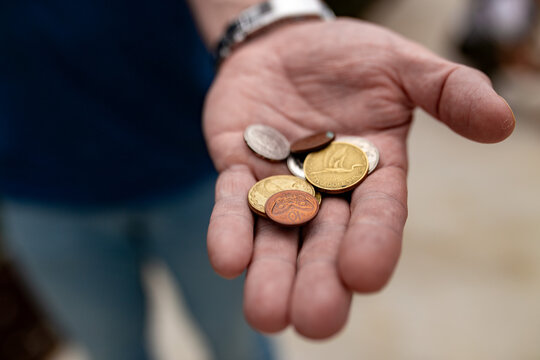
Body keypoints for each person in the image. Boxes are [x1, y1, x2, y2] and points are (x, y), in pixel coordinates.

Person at [0, 0, 515, 359]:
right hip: (35, 187)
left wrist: (261, 21)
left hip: (198, 158)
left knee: (241, 345)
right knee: (110, 350)